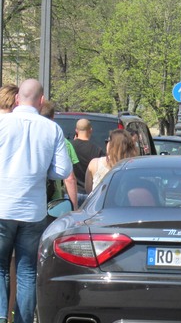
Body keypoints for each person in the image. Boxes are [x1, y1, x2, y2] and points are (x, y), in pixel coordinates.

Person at [0, 79, 72, 323]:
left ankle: (1, 317)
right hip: (33, 212)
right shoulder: (52, 129)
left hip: (2, 207)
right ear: (41, 101)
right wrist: (43, 171)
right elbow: (62, 170)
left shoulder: (2, 122)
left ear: (18, 98)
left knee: (0, 269)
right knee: (27, 271)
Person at [39, 101, 79, 210]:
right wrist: (74, 208)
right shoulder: (63, 142)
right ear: (53, 116)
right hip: (53, 203)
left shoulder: (28, 136)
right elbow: (69, 178)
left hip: (30, 201)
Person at [85, 129, 137, 193]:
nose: (107, 144)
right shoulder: (134, 166)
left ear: (111, 145)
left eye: (108, 141)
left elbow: (89, 193)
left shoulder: (95, 164)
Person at [70, 119, 105, 207]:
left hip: (72, 193)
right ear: (91, 130)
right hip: (90, 194)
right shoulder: (97, 150)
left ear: (76, 130)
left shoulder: (69, 147)